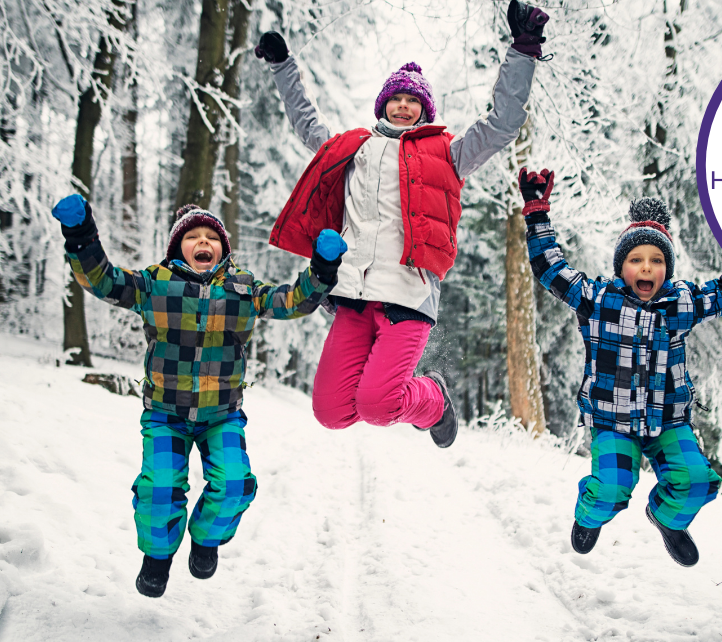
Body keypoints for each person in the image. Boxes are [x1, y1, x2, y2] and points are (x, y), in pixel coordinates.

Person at [253, 1, 551, 448]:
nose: (404, 106)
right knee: (331, 412)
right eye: (397, 98)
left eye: (413, 101)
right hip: (353, 295)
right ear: (383, 104)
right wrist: (282, 65)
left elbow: (501, 125)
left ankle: (433, 398)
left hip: (407, 296)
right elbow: (305, 122)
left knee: (378, 405)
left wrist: (524, 50)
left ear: (424, 110)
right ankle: (418, 396)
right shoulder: (352, 148)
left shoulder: (447, 154)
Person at [50, 195, 344, 597]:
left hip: (221, 414)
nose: (203, 242)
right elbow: (103, 281)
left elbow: (292, 301)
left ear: (222, 248)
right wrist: (81, 236)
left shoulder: (243, 288)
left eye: (212, 237)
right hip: (165, 414)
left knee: (236, 483)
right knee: (159, 488)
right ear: (177, 247)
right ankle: (157, 558)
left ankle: (205, 539)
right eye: (193, 236)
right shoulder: (155, 283)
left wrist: (322, 269)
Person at [516, 168, 722, 566]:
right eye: (635, 259)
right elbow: (550, 269)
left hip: (668, 422)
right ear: (620, 266)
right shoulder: (597, 300)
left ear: (668, 269)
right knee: (611, 487)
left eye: (656, 260)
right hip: (613, 421)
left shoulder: (681, 304)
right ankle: (590, 516)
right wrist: (537, 214)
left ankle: (666, 518)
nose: (646, 268)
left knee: (695, 481)